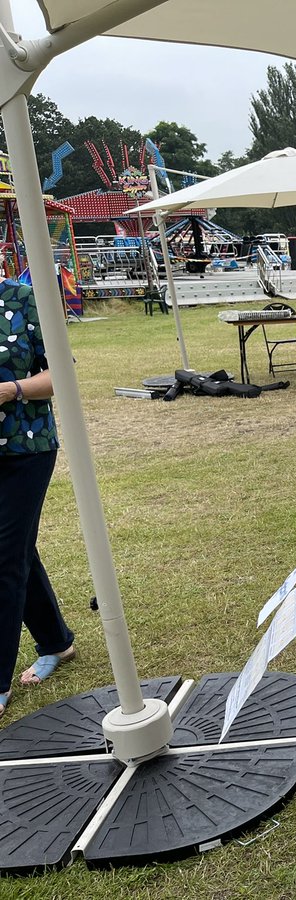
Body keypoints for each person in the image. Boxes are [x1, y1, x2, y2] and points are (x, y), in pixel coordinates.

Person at [0, 279, 76, 718]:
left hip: (25, 448)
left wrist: (12, 389)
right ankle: (57, 641)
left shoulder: (23, 299)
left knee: (4, 558)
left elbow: (60, 374)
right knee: (16, 551)